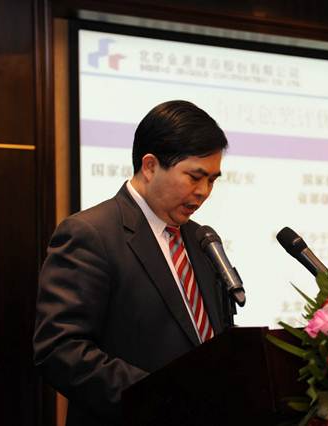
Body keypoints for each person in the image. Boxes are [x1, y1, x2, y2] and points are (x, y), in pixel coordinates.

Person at [33, 100, 229, 425]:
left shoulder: (200, 239)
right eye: (195, 177)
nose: (204, 191)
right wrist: (161, 399)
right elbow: (60, 349)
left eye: (212, 180)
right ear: (150, 166)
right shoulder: (91, 234)